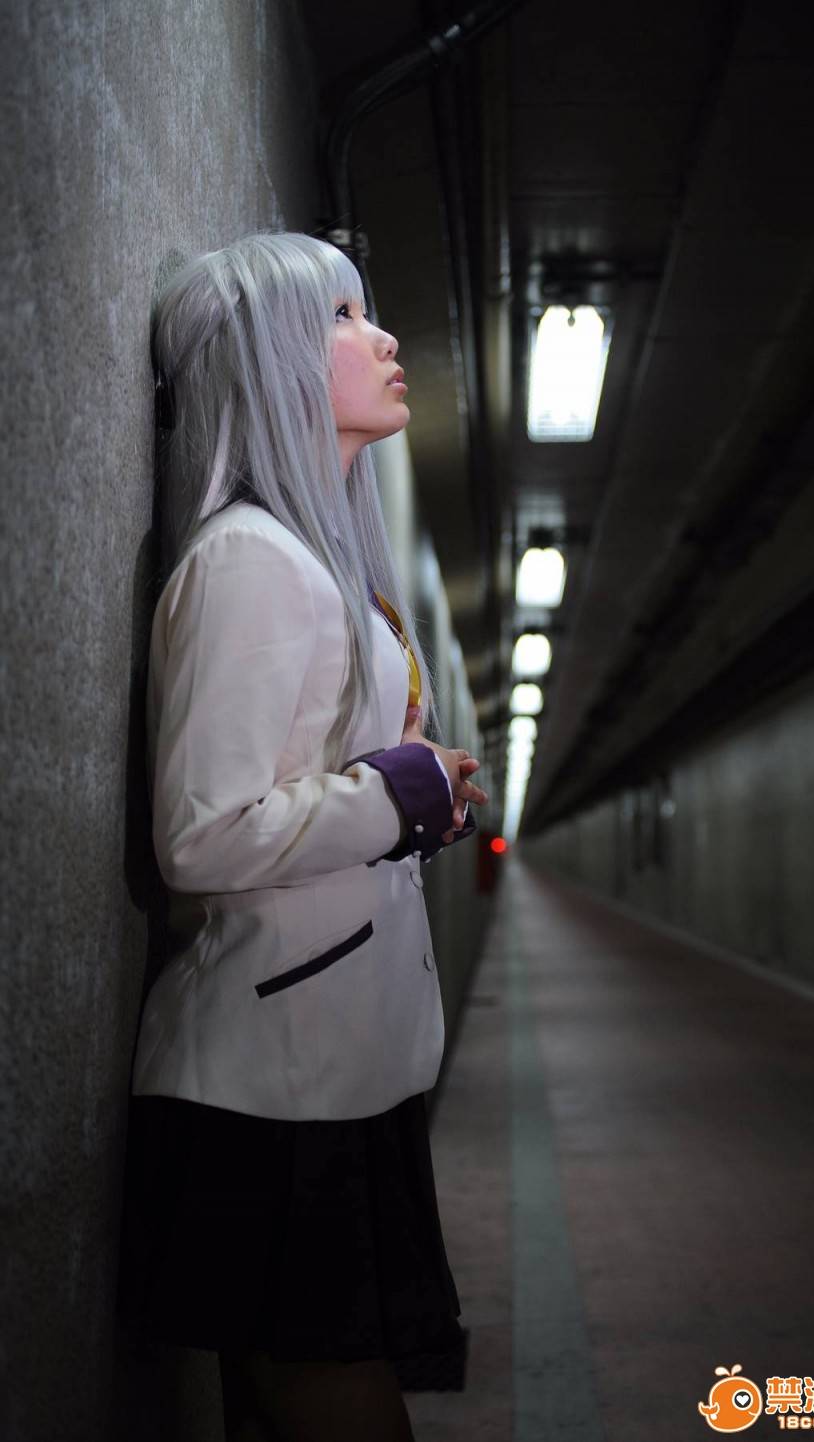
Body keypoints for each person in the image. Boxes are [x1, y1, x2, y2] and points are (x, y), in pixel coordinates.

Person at [116, 231, 489, 1442]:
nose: (382, 337)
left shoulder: (320, 565)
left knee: (285, 1400)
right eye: (340, 315)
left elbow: (318, 793)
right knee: (325, 1392)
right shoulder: (248, 560)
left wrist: (414, 790)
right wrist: (398, 792)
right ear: (268, 359)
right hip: (274, 1083)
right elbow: (202, 832)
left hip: (330, 1058)